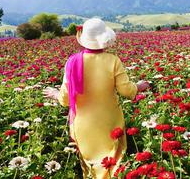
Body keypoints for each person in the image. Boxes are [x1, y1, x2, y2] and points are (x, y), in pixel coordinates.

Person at [43, 18, 149, 178]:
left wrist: (54, 93)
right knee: (113, 166)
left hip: (83, 126)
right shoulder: (113, 61)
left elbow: (65, 100)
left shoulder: (72, 62)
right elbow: (127, 91)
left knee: (91, 168)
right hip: (110, 123)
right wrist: (140, 85)